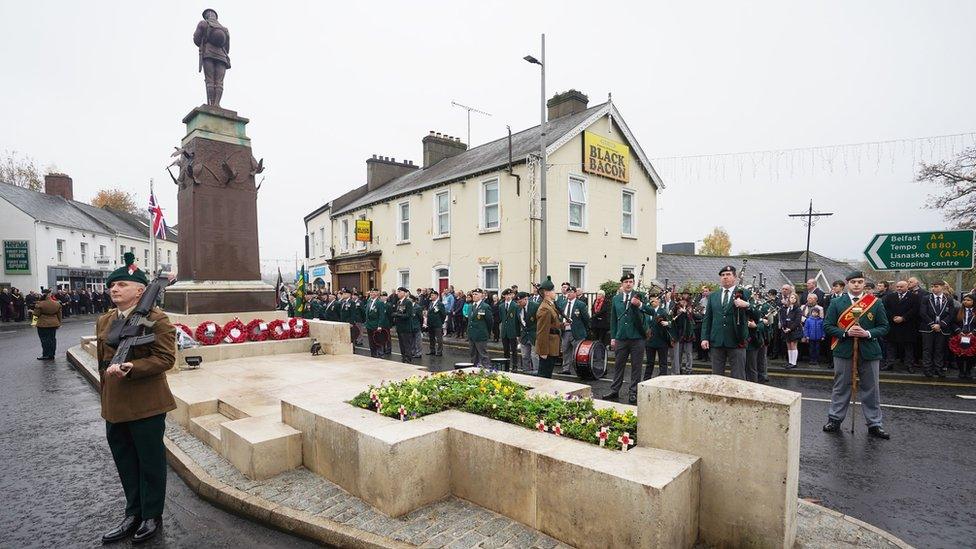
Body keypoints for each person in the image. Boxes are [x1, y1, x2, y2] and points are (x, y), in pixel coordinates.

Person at [96, 252, 177, 543]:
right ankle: (133, 512)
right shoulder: (105, 320)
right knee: (125, 460)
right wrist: (105, 397)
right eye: (111, 285)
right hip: (115, 404)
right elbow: (102, 363)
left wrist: (133, 366)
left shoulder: (157, 320)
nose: (113, 289)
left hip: (147, 403)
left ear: (140, 290)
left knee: (150, 461)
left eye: (121, 285)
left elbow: (166, 358)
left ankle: (151, 514)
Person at [823, 271, 890, 439]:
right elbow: (828, 326)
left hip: (869, 350)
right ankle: (835, 419)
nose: (857, 285)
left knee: (871, 387)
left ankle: (875, 424)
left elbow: (884, 327)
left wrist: (867, 333)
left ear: (864, 283)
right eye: (853, 282)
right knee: (841, 385)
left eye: (860, 282)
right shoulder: (837, 302)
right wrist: (846, 333)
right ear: (847, 284)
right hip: (844, 349)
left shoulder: (875, 303)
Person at [602, 273, 655, 404]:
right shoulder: (616, 298)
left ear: (633, 283)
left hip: (637, 338)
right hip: (621, 337)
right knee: (618, 365)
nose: (628, 284)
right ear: (622, 284)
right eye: (626, 281)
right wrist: (613, 337)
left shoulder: (639, 296)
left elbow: (652, 311)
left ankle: (633, 392)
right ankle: (615, 390)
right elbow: (613, 319)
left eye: (631, 281)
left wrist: (640, 305)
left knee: (636, 367)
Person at [700, 265, 756, 379]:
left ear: (735, 277)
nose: (725, 277)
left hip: (737, 340)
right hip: (717, 340)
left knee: (738, 376)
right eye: (723, 275)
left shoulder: (744, 293)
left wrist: (747, 305)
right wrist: (704, 338)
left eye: (728, 274)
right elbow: (708, 318)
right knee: (716, 378)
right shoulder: (713, 296)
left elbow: (757, 314)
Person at [919, 280, 955, 378]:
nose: (934, 288)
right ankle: (927, 369)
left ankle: (938, 369)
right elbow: (923, 313)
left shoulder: (948, 299)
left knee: (939, 349)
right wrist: (932, 324)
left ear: (942, 287)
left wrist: (941, 325)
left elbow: (951, 315)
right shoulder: (926, 298)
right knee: (927, 349)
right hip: (928, 328)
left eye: (936, 286)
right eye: (933, 286)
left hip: (942, 328)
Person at [882, 281, 919, 372]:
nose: (899, 288)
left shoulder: (914, 297)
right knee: (891, 346)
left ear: (907, 287)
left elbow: (915, 310)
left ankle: (909, 365)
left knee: (908, 347)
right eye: (897, 287)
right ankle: (889, 363)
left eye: (901, 287)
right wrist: (893, 317)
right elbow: (886, 309)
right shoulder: (890, 297)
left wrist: (903, 318)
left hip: (908, 325)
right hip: (893, 325)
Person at [558, 286, 589, 375]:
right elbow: (560, 317)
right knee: (565, 351)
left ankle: (577, 370)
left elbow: (586, 318)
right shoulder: (563, 304)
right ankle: (566, 369)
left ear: (575, 293)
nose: (569, 294)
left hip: (577, 332)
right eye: (568, 292)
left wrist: (584, 330)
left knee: (577, 353)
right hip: (565, 331)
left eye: (571, 292)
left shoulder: (580, 304)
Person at [535, 277, 562, 378]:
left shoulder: (550, 305)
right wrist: (543, 352)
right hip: (548, 348)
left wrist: (562, 325)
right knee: (544, 376)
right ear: (546, 293)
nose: (555, 292)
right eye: (553, 290)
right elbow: (542, 331)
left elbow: (552, 324)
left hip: (552, 345)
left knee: (547, 374)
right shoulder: (545, 309)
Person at [644, 294, 672, 379]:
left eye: (655, 299)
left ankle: (662, 380)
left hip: (662, 341)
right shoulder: (646, 312)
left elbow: (671, 323)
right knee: (649, 362)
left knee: (663, 363)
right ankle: (646, 379)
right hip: (650, 341)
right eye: (651, 299)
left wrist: (667, 323)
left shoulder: (663, 311)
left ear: (659, 301)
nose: (653, 301)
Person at [31, 289, 62, 360]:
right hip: (54, 323)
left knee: (44, 340)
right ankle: (52, 354)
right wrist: (59, 323)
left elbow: (36, 314)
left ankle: (45, 354)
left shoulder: (40, 303)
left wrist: (34, 323)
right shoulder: (57, 303)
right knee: (52, 339)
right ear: (50, 294)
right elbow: (59, 314)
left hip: (43, 324)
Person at [467, 288, 493, 369]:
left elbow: (490, 322)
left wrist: (486, 332)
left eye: (476, 294)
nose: (474, 296)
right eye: (473, 294)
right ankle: (474, 371)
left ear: (481, 296)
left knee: (483, 355)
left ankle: (488, 372)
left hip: (481, 335)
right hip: (472, 335)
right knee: (473, 356)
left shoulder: (485, 306)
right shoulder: (471, 306)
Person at [951, 294, 975, 379]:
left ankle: (968, 371)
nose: (965, 301)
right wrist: (958, 331)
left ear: (973, 302)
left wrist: (973, 332)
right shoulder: (958, 310)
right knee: (959, 354)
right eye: (964, 300)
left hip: (972, 336)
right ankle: (961, 371)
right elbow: (953, 322)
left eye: (968, 300)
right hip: (960, 335)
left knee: (971, 355)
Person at [392, 287, 418, 364]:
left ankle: (408, 360)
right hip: (399, 327)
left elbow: (408, 315)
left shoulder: (408, 302)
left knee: (407, 345)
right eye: (397, 291)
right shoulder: (398, 302)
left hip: (406, 327)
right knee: (401, 345)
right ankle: (403, 358)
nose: (398, 293)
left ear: (404, 293)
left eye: (399, 291)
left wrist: (397, 315)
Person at [671, 296, 696, 375]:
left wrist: (685, 311)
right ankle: (679, 368)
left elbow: (690, 317)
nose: (683, 302)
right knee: (679, 353)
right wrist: (679, 311)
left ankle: (689, 369)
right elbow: (673, 316)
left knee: (689, 353)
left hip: (688, 333)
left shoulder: (690, 307)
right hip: (679, 333)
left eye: (684, 300)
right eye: (682, 300)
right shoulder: (677, 308)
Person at [499, 289, 521, 371]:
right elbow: (501, 318)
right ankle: (507, 366)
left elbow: (517, 320)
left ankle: (515, 365)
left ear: (512, 295)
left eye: (510, 295)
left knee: (514, 350)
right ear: (504, 296)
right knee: (506, 350)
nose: (508, 296)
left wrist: (518, 334)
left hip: (513, 331)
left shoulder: (515, 306)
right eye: (506, 295)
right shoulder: (501, 306)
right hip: (504, 331)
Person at [517, 292, 539, 373]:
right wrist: (518, 335)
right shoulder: (518, 308)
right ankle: (526, 371)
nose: (519, 303)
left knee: (534, 355)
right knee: (525, 355)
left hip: (534, 335)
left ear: (526, 299)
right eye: (518, 302)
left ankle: (537, 371)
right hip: (524, 335)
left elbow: (539, 321)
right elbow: (517, 322)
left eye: (520, 302)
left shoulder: (535, 306)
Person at [780, 293, 803, 368]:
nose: (792, 299)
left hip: (794, 330)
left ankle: (794, 363)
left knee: (793, 345)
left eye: (794, 298)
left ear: (796, 300)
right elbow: (783, 318)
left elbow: (797, 321)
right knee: (789, 346)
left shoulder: (798, 309)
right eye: (791, 297)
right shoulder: (787, 308)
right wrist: (784, 327)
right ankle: (790, 362)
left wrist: (790, 328)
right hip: (786, 330)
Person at [364, 289, 386, 358]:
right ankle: (373, 354)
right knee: (371, 341)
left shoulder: (380, 302)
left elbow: (382, 315)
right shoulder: (369, 301)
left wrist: (380, 325)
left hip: (376, 325)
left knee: (377, 340)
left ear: (377, 293)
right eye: (371, 292)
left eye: (373, 292)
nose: (371, 293)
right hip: (369, 324)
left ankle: (380, 354)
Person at [425, 289, 446, 356]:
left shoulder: (440, 304)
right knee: (431, 338)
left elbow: (443, 314)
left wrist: (441, 322)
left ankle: (439, 351)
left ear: (437, 296)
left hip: (437, 323)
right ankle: (432, 350)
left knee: (439, 338)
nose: (431, 296)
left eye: (433, 295)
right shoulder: (431, 303)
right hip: (430, 323)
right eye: (431, 295)